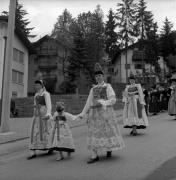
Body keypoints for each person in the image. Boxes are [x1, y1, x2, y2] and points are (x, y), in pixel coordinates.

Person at [79, 63, 125, 164]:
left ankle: (109, 148)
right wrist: (83, 113)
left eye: (100, 75)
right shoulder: (93, 89)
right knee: (94, 132)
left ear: (103, 76)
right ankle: (94, 155)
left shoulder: (108, 86)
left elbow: (113, 99)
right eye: (96, 76)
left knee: (107, 131)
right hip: (94, 113)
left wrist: (103, 102)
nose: (98, 77)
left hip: (105, 112)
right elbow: (88, 102)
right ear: (95, 78)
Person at [27, 80, 53, 160]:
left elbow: (49, 106)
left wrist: (48, 114)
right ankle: (32, 151)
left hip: (44, 116)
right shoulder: (36, 95)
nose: (36, 86)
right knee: (34, 132)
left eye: (38, 85)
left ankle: (49, 147)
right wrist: (34, 113)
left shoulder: (46, 94)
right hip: (37, 116)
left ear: (42, 85)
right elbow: (35, 105)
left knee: (46, 132)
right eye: (35, 85)